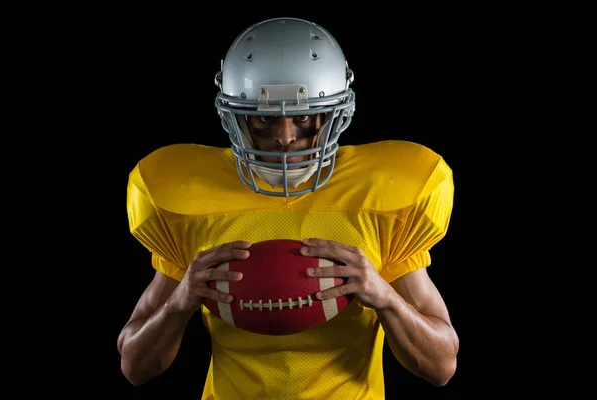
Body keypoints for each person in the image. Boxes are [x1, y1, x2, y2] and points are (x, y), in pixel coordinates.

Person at [117, 17, 459, 399]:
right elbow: (134, 365)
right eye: (265, 118)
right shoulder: (188, 200)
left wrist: (383, 296)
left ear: (334, 113)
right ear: (236, 117)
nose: (284, 137)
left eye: (302, 116)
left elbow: (441, 365)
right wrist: (179, 302)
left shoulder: (383, 199)